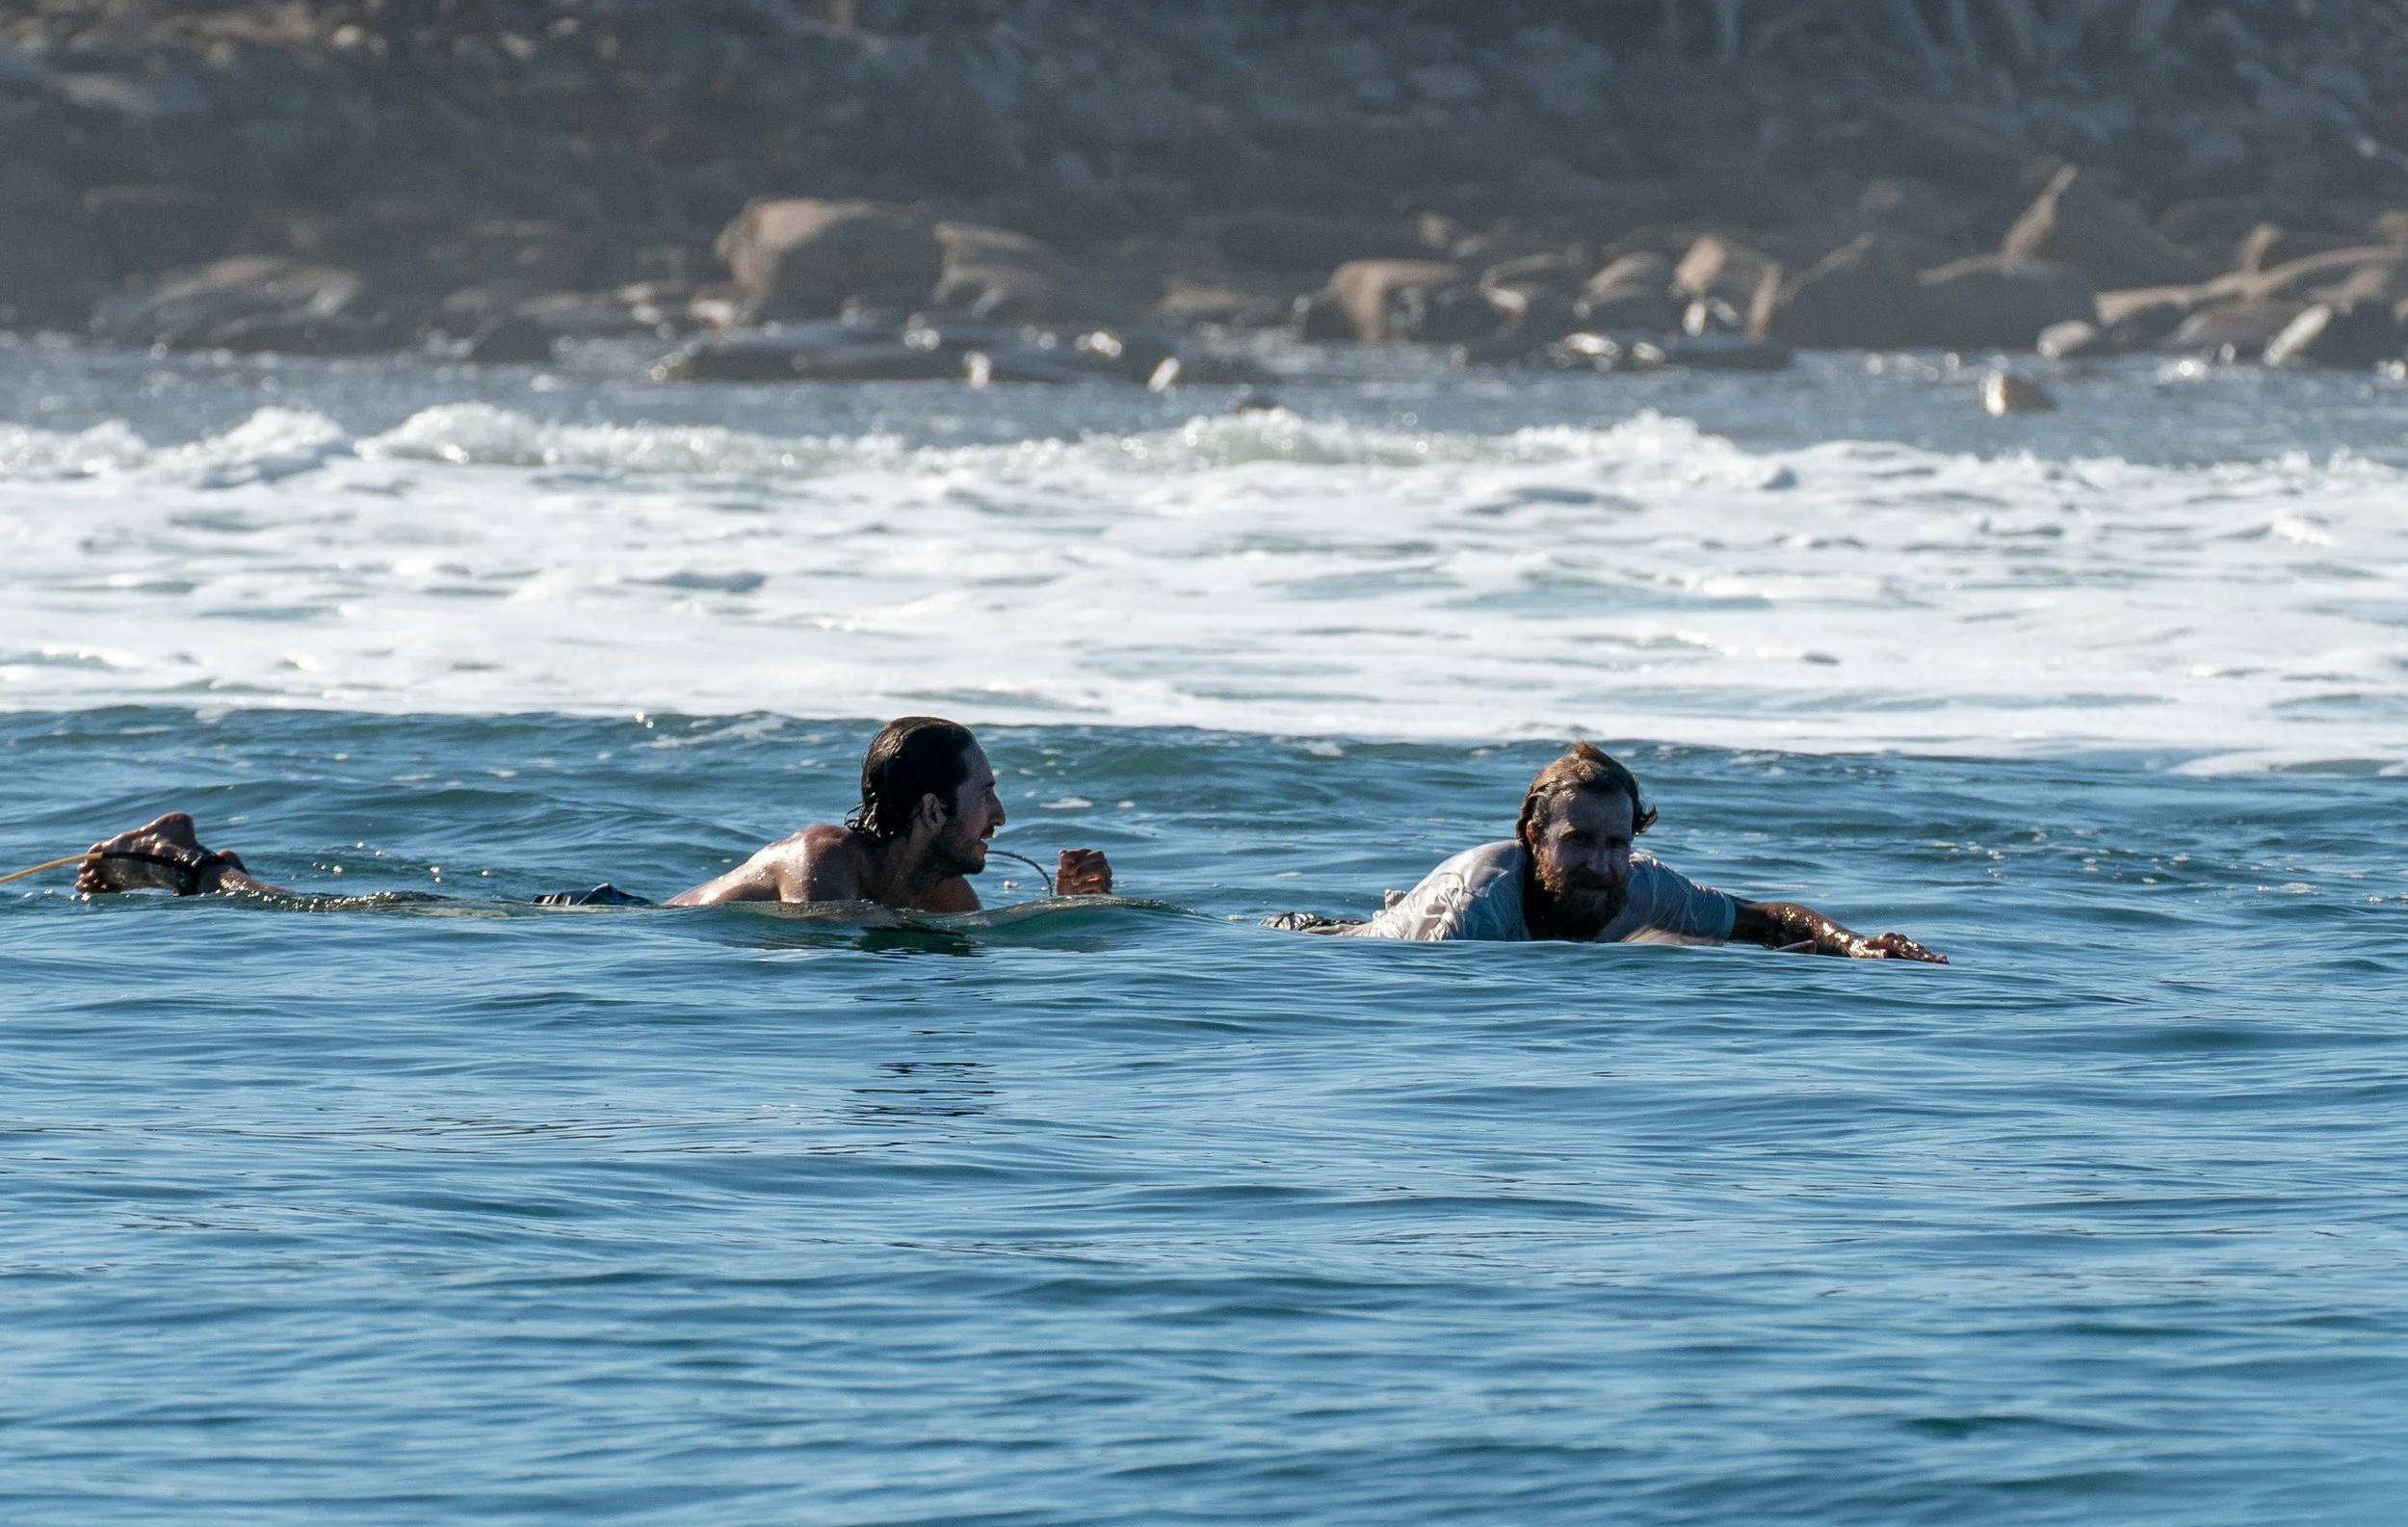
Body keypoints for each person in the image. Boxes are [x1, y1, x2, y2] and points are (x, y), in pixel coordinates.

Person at [71, 715, 1113, 916]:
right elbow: (836, 943)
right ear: (933, 804)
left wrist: (1067, 911)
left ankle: (188, 864)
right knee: (357, 911)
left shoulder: (940, 882)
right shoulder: (825, 857)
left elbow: (964, 937)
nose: (1002, 812)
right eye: (986, 794)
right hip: (605, 918)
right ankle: (202, 866)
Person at [1280, 741, 1941, 957]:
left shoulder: (1642, 886)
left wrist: (1854, 947)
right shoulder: (1478, 904)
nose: (1600, 866)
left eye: (1615, 844)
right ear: (1534, 839)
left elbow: (1771, 921)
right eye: (1579, 843)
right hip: (1337, 943)